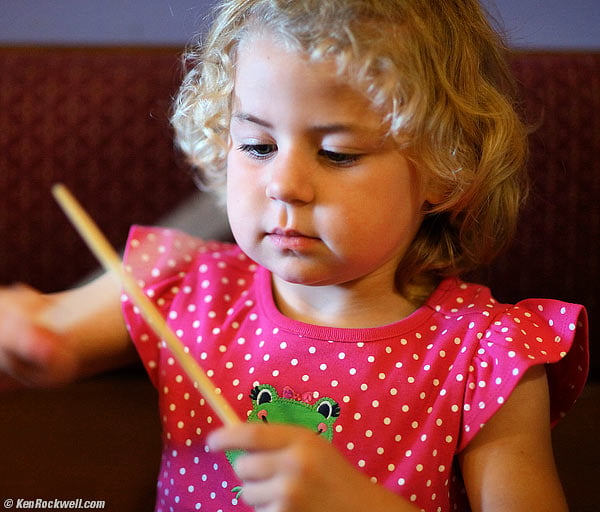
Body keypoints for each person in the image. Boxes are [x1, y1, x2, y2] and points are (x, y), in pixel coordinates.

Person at [0, 1, 589, 511]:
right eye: (257, 145)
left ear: (445, 166)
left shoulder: (488, 354)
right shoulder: (181, 283)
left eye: (337, 153)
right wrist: (25, 339)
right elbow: (48, 333)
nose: (284, 184)